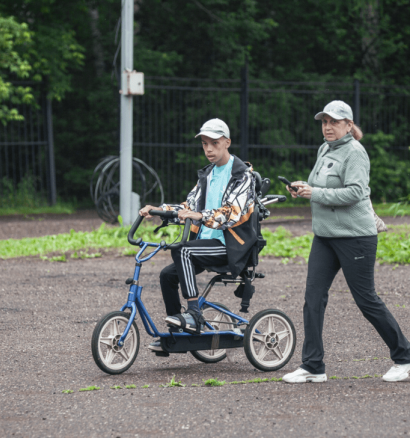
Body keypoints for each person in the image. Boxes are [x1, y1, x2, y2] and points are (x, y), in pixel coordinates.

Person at [282, 100, 410, 384]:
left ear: (349, 125)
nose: (327, 127)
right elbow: (322, 186)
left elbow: (353, 193)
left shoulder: (356, 153)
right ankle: (313, 366)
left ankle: (405, 357)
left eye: (334, 122)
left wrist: (314, 193)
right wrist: (304, 187)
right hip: (326, 237)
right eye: (324, 122)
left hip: (356, 238)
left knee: (366, 300)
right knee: (313, 298)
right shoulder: (324, 148)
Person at [139, 118, 256, 352]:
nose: (209, 149)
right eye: (204, 144)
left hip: (231, 246)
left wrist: (200, 216)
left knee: (182, 249)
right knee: (167, 276)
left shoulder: (242, 175)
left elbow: (232, 213)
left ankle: (193, 314)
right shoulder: (208, 175)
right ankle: (177, 332)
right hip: (206, 245)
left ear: (227, 142)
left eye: (214, 143)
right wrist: (159, 210)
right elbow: (188, 207)